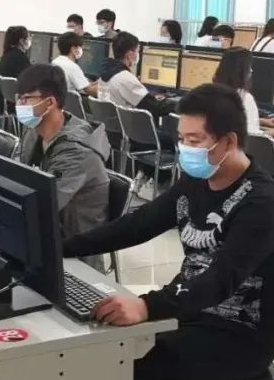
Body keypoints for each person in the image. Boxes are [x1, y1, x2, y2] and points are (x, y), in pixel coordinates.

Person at [62, 83, 274, 380]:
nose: (185, 148)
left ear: (228, 142)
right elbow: (138, 224)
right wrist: (65, 247)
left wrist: (148, 307)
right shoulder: (196, 182)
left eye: (195, 140)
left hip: (241, 334)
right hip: (193, 312)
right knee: (109, 353)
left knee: (143, 371)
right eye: (182, 138)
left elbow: (220, 282)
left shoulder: (263, 204)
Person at [16, 64, 110, 252]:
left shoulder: (77, 151)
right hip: (43, 233)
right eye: (19, 98)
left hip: (73, 248)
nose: (19, 104)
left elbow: (44, 204)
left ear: (50, 103)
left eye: (26, 99)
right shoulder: (34, 131)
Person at [212, 49, 274, 138]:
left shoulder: (214, 92)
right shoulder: (244, 98)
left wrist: (262, 121)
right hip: (239, 150)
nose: (251, 70)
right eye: (248, 67)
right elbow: (254, 137)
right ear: (241, 71)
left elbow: (230, 123)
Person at [98, 32, 174, 119]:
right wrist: (177, 105)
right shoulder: (125, 78)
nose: (138, 55)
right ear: (130, 54)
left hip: (112, 124)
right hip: (127, 125)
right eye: (137, 51)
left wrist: (149, 97)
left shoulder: (106, 73)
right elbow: (155, 108)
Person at [52, 32, 98, 96]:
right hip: (70, 101)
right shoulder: (73, 67)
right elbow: (90, 91)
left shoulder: (55, 62)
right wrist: (107, 88)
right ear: (73, 49)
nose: (81, 50)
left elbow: (83, 84)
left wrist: (96, 83)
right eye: (80, 47)